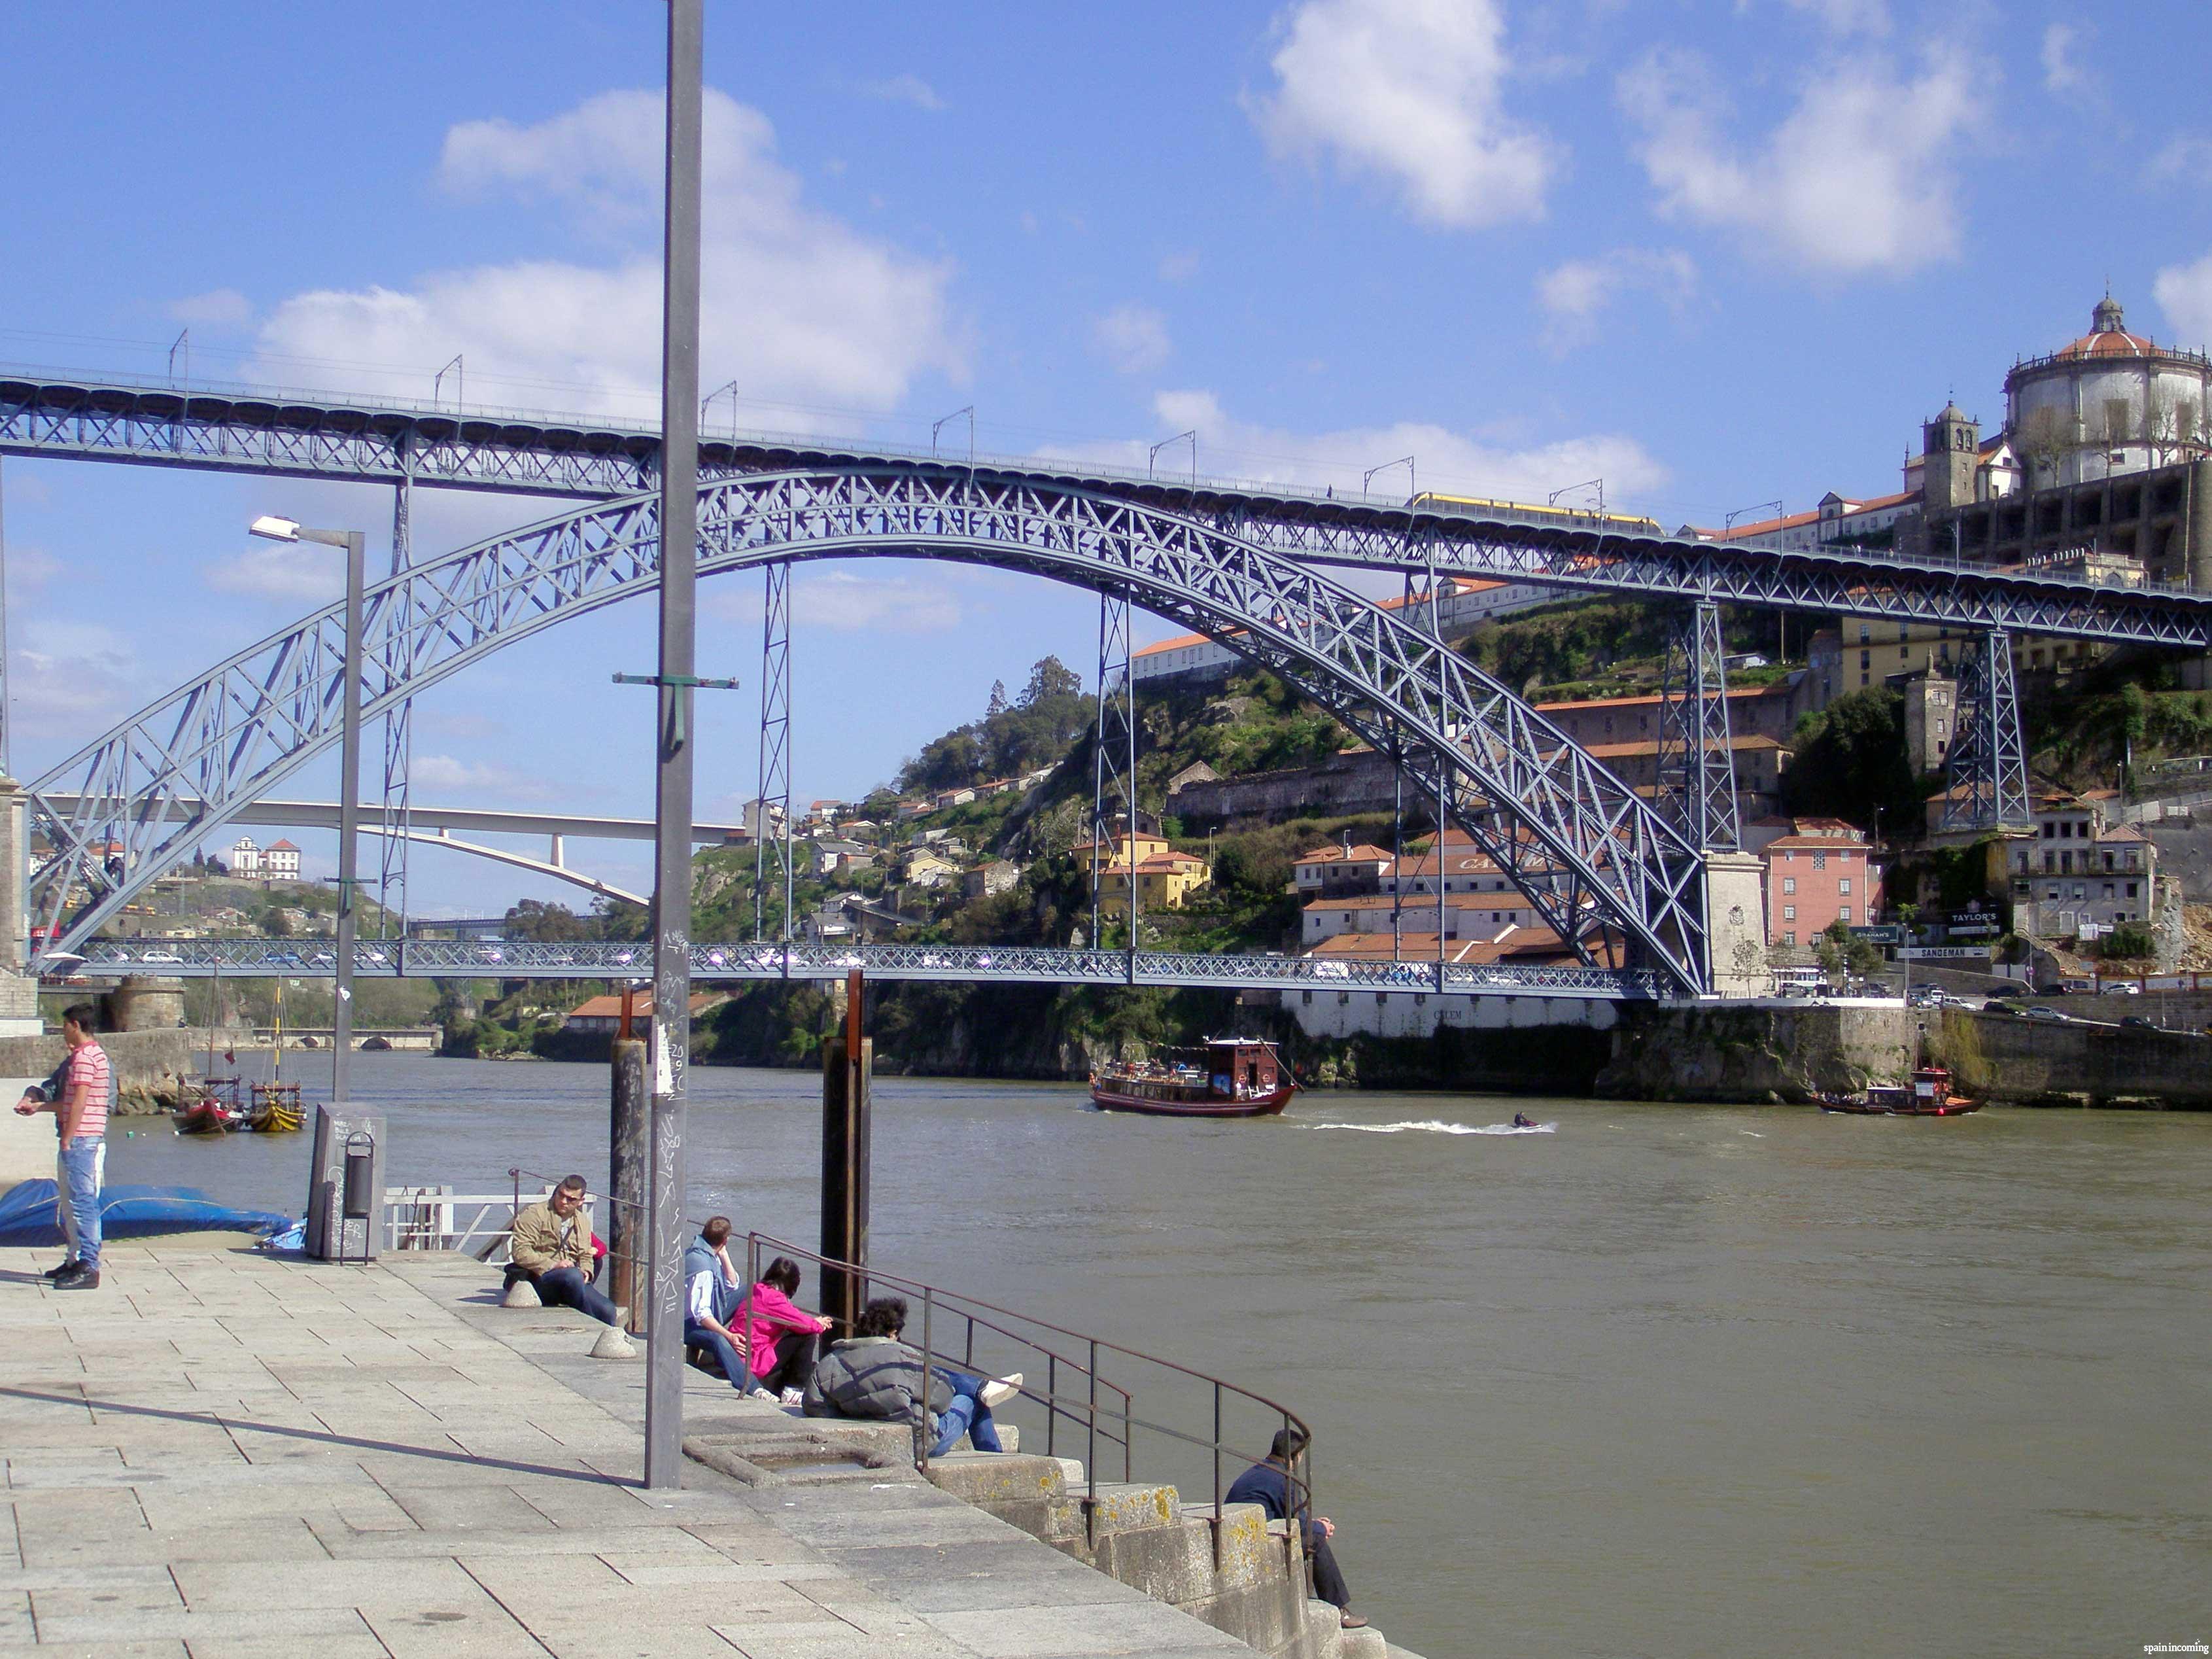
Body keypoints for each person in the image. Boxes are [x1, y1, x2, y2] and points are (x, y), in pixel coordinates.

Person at [803, 1295, 1021, 1460]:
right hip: (920, 1443)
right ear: (892, 1333)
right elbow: (944, 1400)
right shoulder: (905, 1358)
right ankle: (995, 1454)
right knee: (975, 1402)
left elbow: (812, 1404)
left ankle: (981, 1387)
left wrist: (853, 1412)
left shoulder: (829, 1361)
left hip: (871, 1441)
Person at [14, 1004, 112, 1291]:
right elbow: (69, 1100)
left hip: (82, 1138)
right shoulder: (91, 1056)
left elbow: (78, 1103)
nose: (63, 1031)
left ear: (76, 1025)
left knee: (83, 1204)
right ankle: (76, 1261)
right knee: (74, 1204)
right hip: (83, 1136)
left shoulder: (84, 1059)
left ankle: (89, 1265)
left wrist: (68, 1138)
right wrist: (38, 1106)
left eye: (65, 1025)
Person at [1226, 1428, 1363, 1630]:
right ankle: (1339, 1609)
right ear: (1295, 1456)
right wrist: (1321, 1528)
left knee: (1312, 1531)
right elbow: (1297, 1522)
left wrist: (1313, 1523)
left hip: (1237, 1534)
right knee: (1315, 1541)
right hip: (1254, 1541)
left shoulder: (1259, 1471)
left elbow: (1287, 1516)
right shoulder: (1284, 1479)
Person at [506, 1175, 619, 1325]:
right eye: (561, 1195)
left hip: (573, 1280)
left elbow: (585, 1255)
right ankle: (588, 1323)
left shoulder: (582, 1221)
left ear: (581, 1201)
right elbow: (521, 1252)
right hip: (540, 1278)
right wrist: (553, 1265)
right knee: (572, 1275)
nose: (564, 1202)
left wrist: (586, 1271)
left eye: (571, 1199)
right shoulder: (534, 1214)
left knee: (608, 1310)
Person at [683, 1217, 767, 1398]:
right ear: (725, 1239)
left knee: (750, 1290)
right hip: (686, 1324)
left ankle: (754, 1339)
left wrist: (724, 1255)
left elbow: (732, 1285)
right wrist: (729, 1335)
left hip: (705, 1311)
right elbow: (702, 1315)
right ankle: (752, 1386)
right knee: (718, 1340)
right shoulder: (703, 1267)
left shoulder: (707, 1253)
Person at [738, 1255, 833, 1406]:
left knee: (793, 1330)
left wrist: (812, 1321)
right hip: (754, 1359)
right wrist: (819, 1324)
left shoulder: (758, 1290)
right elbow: (804, 1325)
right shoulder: (774, 1300)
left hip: (743, 1354)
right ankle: (793, 1389)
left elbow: (792, 1316)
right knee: (808, 1335)